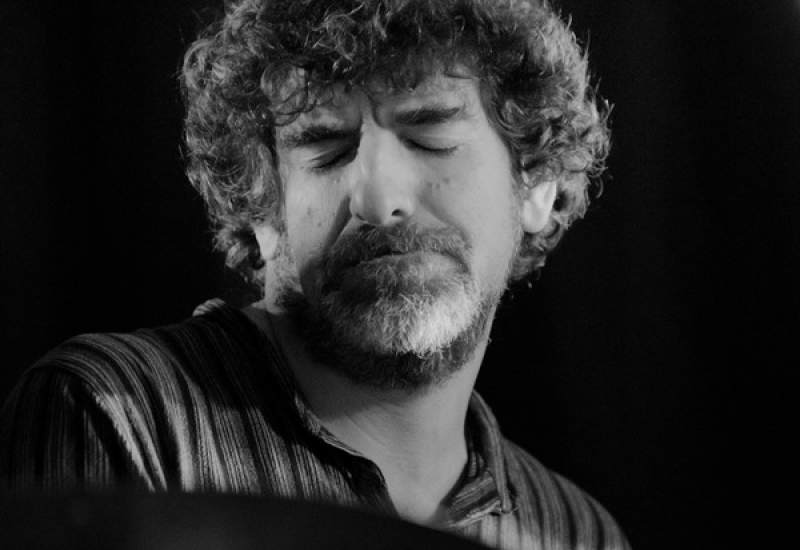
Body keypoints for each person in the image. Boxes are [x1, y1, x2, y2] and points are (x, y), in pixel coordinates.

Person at [1, 0, 628, 548]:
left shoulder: (576, 533)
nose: (377, 200)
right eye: (325, 148)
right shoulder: (115, 412)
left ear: (537, 182)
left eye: (430, 135)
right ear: (262, 211)